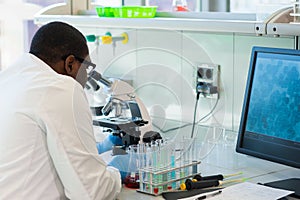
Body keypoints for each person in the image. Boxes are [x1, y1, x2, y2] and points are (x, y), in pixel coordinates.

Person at [0, 21, 122, 200]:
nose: (86, 76)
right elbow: (91, 193)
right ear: (70, 63)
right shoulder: (60, 88)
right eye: (86, 67)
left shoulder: (8, 79)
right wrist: (117, 172)